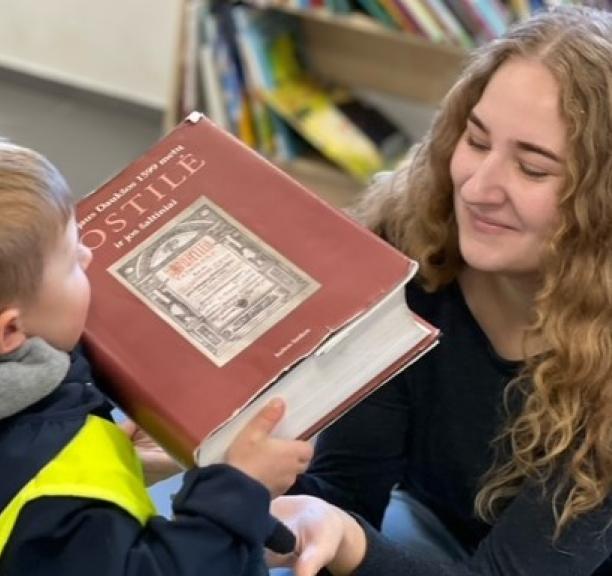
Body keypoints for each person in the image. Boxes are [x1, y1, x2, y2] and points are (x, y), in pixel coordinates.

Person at [268, 5, 612, 576]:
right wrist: (252, 484)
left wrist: (346, 540)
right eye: (476, 141)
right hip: (434, 536)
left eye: (533, 169)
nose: (477, 188)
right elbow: (347, 493)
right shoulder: (416, 250)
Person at [0, 141, 313, 575]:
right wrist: (238, 493)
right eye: (72, 259)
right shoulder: (51, 493)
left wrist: (117, 464)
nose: (89, 256)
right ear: (9, 330)